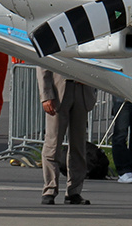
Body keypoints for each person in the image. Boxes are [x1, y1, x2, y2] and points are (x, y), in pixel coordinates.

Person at [40, 68, 97, 205]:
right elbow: (43, 65)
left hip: (82, 89)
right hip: (59, 91)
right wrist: (46, 94)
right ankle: (50, 189)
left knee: (79, 145)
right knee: (53, 144)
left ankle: (74, 191)